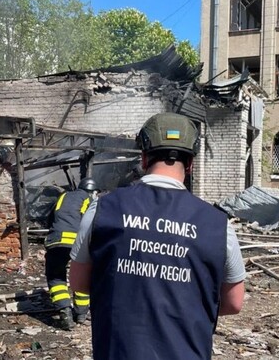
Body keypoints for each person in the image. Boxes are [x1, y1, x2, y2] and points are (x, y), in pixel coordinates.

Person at [69, 112, 246, 360]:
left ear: (144, 159)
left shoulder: (102, 209)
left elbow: (78, 283)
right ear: (191, 163)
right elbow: (234, 303)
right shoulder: (218, 225)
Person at [45, 177, 99, 330]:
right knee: (83, 274)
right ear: (92, 191)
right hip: (77, 241)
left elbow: (50, 218)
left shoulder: (64, 196)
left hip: (56, 240)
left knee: (56, 276)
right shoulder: (89, 199)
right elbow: (92, 221)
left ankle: (65, 312)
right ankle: (81, 314)